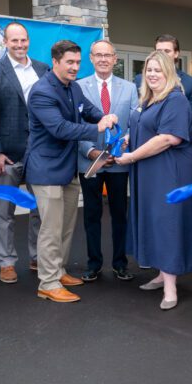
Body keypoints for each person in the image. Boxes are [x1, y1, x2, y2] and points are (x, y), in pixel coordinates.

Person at [25, 40, 117, 303]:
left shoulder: (73, 87)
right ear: (55, 62)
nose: (75, 67)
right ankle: (48, 283)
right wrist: (97, 128)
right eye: (70, 62)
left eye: (78, 62)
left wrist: (105, 117)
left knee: (65, 226)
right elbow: (60, 128)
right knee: (51, 229)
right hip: (46, 169)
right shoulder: (42, 91)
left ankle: (58, 270)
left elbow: (89, 111)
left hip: (68, 168)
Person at [115, 51, 192, 311]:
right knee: (153, 220)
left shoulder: (175, 100)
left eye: (158, 70)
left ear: (169, 73)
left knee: (167, 223)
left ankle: (170, 288)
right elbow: (144, 127)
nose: (152, 74)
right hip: (149, 170)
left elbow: (168, 138)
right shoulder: (148, 100)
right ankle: (162, 274)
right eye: (149, 70)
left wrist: (131, 156)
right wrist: (131, 138)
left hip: (169, 172)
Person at [0, 22, 47, 284]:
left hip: (39, 152)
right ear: (5, 43)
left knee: (39, 209)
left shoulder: (42, 69)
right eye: (14, 41)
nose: (20, 45)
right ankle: (6, 262)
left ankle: (38, 257)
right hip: (7, 154)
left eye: (24, 40)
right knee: (5, 211)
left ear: (29, 41)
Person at [77, 40, 138, 282]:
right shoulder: (79, 87)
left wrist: (123, 143)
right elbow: (77, 124)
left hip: (118, 161)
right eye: (98, 55)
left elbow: (134, 122)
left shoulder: (130, 88)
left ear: (115, 59)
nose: (103, 59)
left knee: (119, 214)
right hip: (89, 160)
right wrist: (90, 151)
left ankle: (120, 263)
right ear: (91, 58)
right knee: (91, 214)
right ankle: (93, 264)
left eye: (108, 55)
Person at [133, 34, 192, 130]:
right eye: (159, 51)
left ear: (176, 53)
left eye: (167, 51)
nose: (163, 55)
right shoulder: (140, 80)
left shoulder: (190, 83)